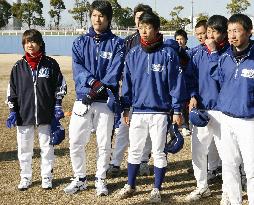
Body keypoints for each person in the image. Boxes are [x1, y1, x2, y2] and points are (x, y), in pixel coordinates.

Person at [117, 12, 187, 203]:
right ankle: (130, 185)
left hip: (160, 112)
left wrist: (178, 110)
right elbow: (128, 84)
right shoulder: (133, 54)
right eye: (141, 27)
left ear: (157, 30)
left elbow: (176, 84)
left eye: (148, 27)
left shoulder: (168, 53)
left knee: (159, 151)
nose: (144, 31)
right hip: (138, 111)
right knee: (134, 150)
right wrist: (126, 108)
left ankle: (156, 189)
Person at [63, 0, 125, 196]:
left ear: (108, 19)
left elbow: (115, 71)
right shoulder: (80, 42)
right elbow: (78, 69)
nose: (97, 19)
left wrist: (100, 88)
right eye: (95, 15)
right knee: (75, 141)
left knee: (104, 143)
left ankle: (100, 179)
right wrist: (92, 84)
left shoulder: (117, 43)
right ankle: (80, 178)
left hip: (105, 102)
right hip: (83, 100)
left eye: (102, 16)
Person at [6, 29, 67, 190]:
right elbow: (11, 90)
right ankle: (25, 177)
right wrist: (13, 110)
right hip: (24, 114)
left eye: (33, 41)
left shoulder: (51, 63)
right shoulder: (18, 66)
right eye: (26, 42)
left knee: (47, 148)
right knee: (24, 149)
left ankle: (46, 177)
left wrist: (57, 105)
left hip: (45, 114)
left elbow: (61, 85)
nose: (29, 45)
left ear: (40, 43)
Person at [211, 13, 254, 205]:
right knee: (229, 166)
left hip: (249, 122)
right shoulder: (225, 57)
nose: (231, 35)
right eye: (229, 31)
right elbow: (220, 83)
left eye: (236, 31)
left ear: (249, 31)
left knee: (252, 169)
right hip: (226, 119)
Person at [185, 15, 229, 202]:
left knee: (228, 155)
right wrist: (193, 95)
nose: (209, 35)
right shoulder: (197, 54)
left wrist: (214, 53)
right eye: (208, 31)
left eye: (214, 31)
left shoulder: (229, 53)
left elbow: (222, 77)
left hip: (223, 111)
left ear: (224, 33)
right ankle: (202, 186)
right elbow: (190, 78)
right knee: (198, 152)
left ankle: (228, 191)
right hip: (202, 110)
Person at [108, 3, 153, 177]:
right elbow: (120, 68)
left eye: (143, 18)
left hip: (149, 95)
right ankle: (115, 163)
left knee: (147, 130)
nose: (140, 22)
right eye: (137, 18)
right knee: (123, 128)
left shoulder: (157, 42)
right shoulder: (127, 41)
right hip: (129, 92)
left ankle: (143, 161)